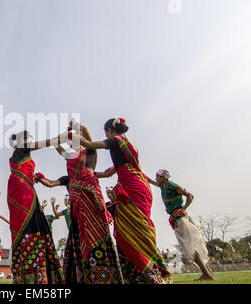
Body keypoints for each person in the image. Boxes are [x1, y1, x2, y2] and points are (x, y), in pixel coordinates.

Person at [78, 117, 172, 284]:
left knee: (131, 229)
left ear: (109, 130)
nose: (105, 135)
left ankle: (151, 273)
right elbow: (110, 171)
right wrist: (95, 174)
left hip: (132, 188)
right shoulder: (128, 146)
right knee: (136, 227)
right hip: (139, 185)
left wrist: (75, 133)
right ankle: (139, 274)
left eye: (105, 132)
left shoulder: (116, 140)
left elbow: (90, 146)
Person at [50, 121, 122, 284]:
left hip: (90, 196)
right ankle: (84, 276)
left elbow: (88, 138)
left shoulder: (90, 152)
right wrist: (62, 136)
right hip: (77, 199)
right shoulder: (70, 156)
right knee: (80, 233)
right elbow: (56, 144)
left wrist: (79, 127)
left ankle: (104, 275)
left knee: (97, 231)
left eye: (78, 138)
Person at [7, 131, 64, 284]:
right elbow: (46, 143)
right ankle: (32, 272)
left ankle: (34, 272)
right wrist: (64, 136)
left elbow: (24, 171)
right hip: (22, 192)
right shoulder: (21, 148)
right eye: (29, 139)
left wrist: (34, 177)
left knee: (31, 224)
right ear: (23, 140)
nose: (31, 141)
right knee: (29, 224)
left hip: (23, 190)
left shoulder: (19, 153)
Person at [149, 169, 215, 281]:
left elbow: (190, 196)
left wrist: (184, 209)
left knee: (189, 247)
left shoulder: (172, 186)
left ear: (163, 177)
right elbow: (150, 181)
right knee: (191, 246)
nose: (156, 178)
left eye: (157, 176)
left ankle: (207, 273)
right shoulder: (163, 186)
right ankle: (207, 273)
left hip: (180, 219)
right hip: (176, 219)